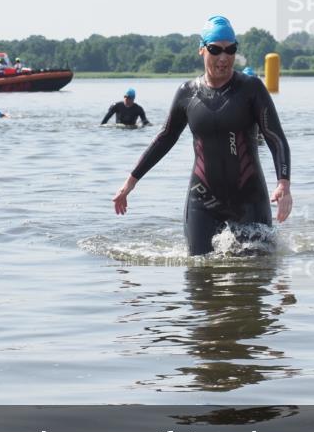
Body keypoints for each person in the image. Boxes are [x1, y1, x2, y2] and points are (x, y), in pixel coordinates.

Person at [113, 15, 292, 256]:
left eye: (230, 50)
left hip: (249, 200)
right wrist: (130, 182)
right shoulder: (187, 93)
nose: (223, 57)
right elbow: (165, 138)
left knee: (256, 270)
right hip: (202, 200)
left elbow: (275, 138)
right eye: (215, 50)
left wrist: (283, 184)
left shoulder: (251, 89)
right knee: (197, 267)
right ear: (202, 49)